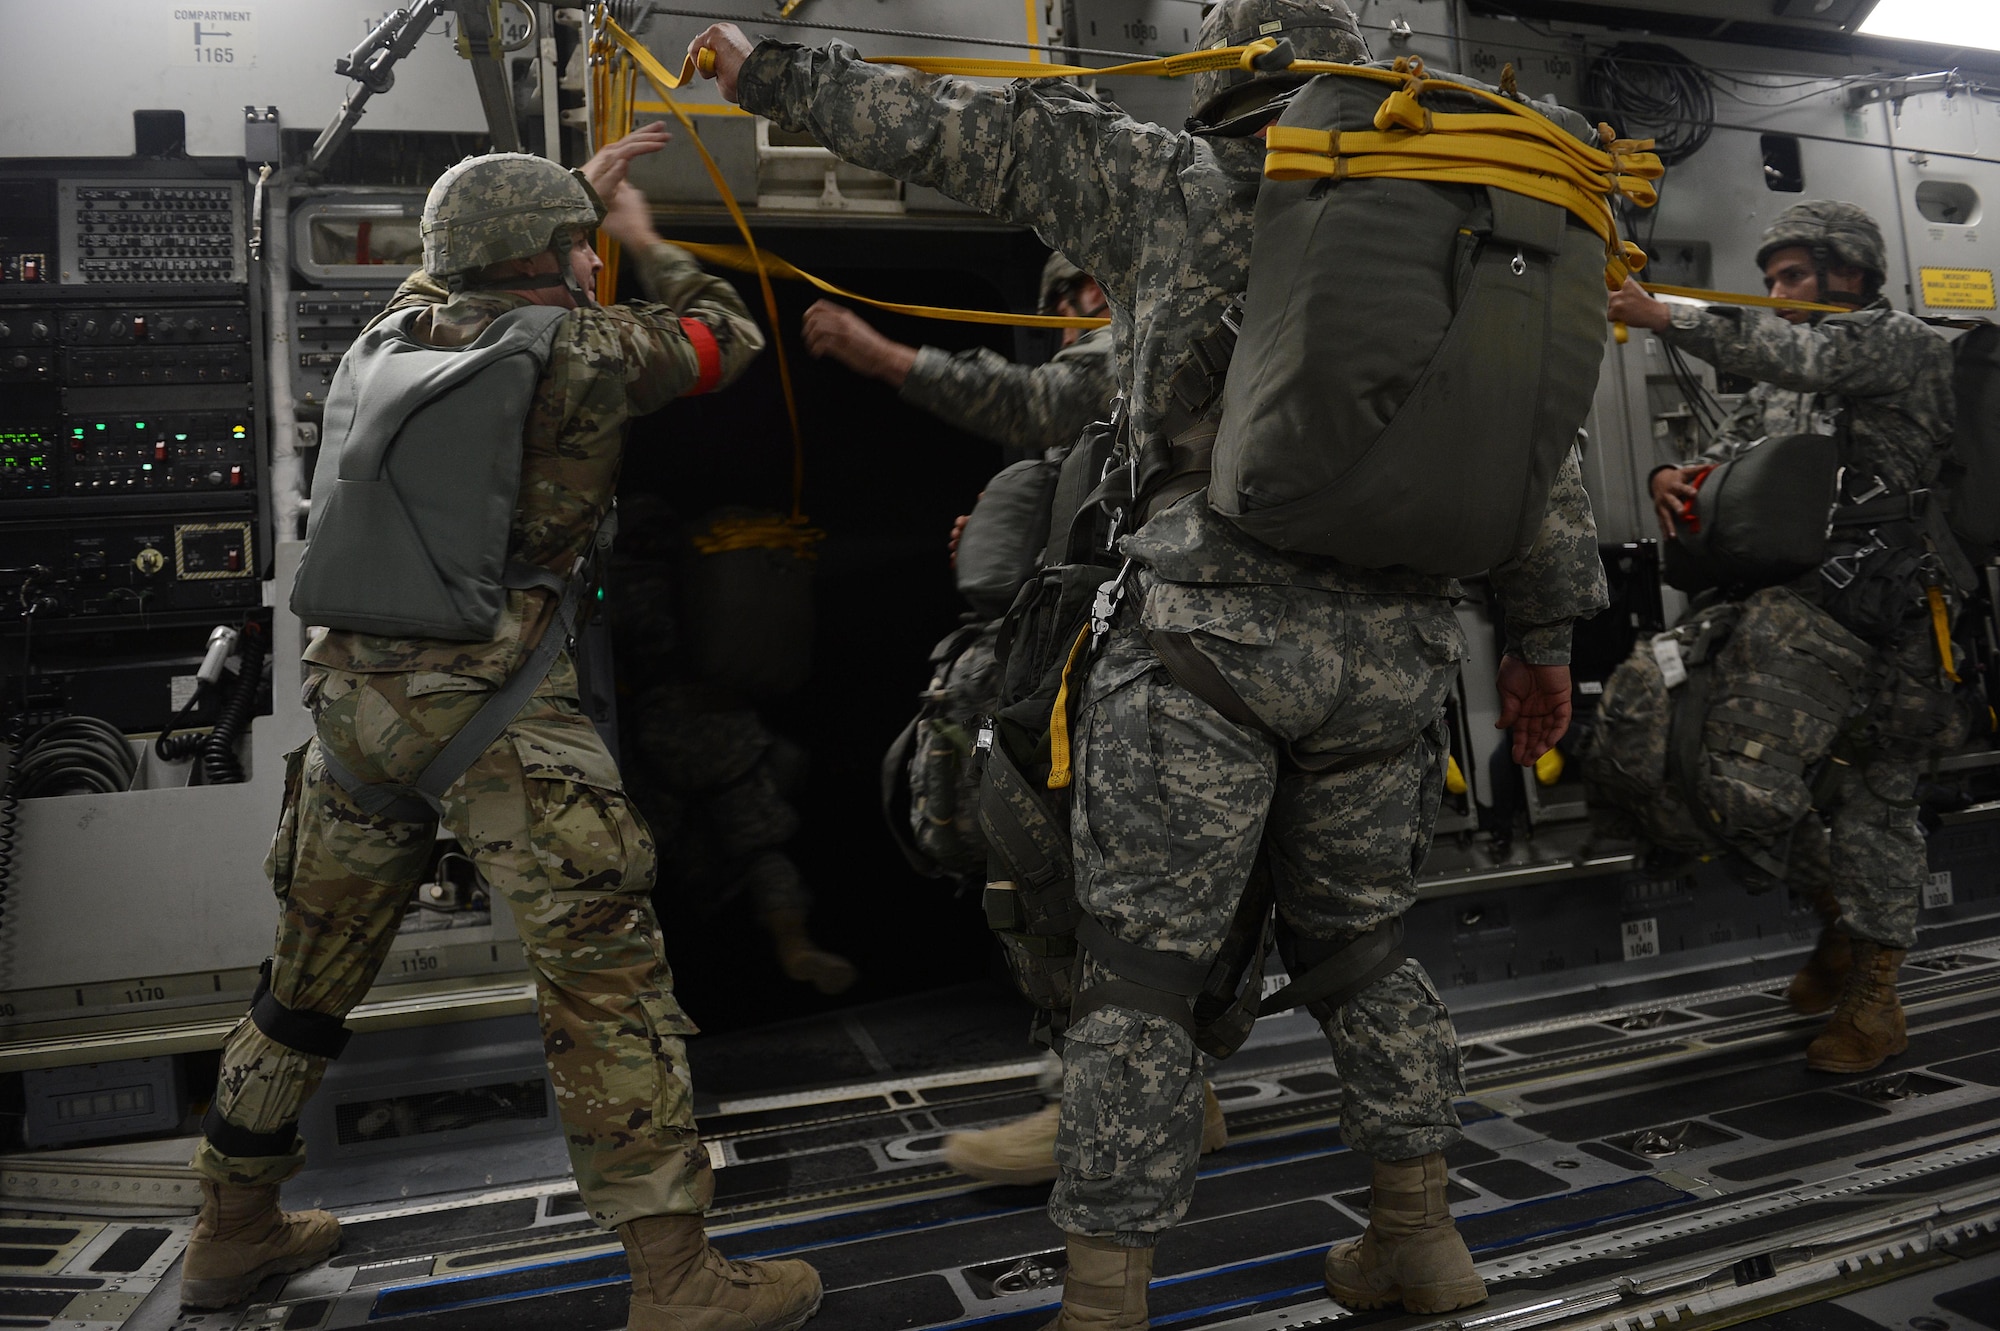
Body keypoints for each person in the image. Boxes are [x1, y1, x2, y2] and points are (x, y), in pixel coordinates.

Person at [692, 2, 1606, 1320]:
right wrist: (1542, 638)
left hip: (1209, 639)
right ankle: (1418, 1238)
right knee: (1363, 955)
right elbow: (1537, 452)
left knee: (1133, 979)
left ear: (1229, 71)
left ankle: (1106, 1301)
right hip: (1396, 660)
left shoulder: (1174, 178)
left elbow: (959, 132)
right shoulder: (1459, 241)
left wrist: (766, 65)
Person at [181, 124, 824, 1331]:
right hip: (495, 704)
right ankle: (677, 1280)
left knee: (304, 983)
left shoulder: (388, 331)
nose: (591, 267)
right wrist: (646, 241)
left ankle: (230, 1227)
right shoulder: (584, 349)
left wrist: (552, 206)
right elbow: (723, 341)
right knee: (605, 978)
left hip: (354, 704)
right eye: (576, 251)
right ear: (546, 258)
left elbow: (464, 267)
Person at [1608, 199, 1961, 1076]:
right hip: (1795, 614)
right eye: (1769, 279)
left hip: (1892, 627)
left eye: (1793, 275)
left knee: (1878, 802)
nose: (1777, 292)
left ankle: (1877, 998)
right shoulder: (1784, 379)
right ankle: (1837, 923)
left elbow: (1802, 354)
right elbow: (1727, 453)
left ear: (1850, 273)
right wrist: (1669, 475)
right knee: (1712, 758)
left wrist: (1668, 315)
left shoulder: (1898, 344)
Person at [800, 252, 1118, 458]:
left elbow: (1029, 403)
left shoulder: (1120, 353)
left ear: (1092, 290)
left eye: (1063, 316)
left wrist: (880, 356)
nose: (1064, 339)